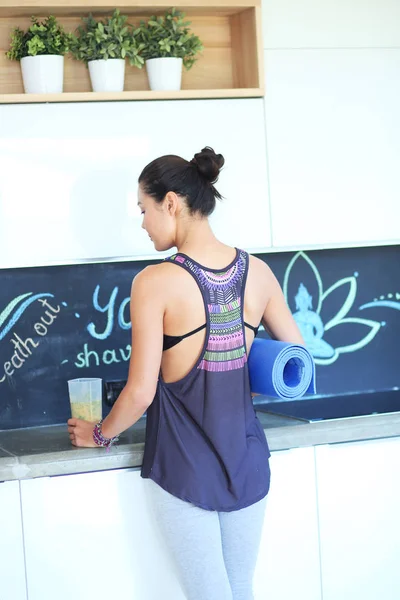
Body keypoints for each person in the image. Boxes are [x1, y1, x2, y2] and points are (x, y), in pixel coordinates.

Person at [68, 147, 304, 600]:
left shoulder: (153, 283)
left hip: (185, 468)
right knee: (238, 591)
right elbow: (295, 358)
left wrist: (99, 434)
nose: (141, 222)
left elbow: (139, 393)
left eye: (143, 209)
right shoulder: (260, 273)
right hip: (247, 462)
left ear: (171, 203)